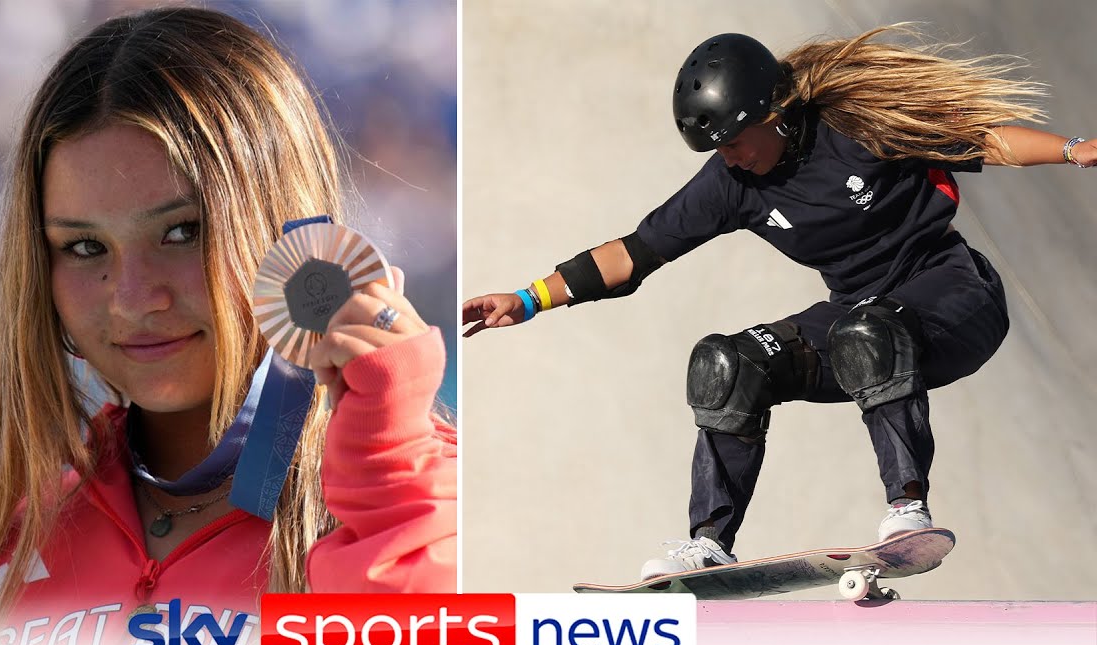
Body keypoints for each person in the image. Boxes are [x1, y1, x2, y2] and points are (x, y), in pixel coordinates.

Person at [0, 7, 455, 645]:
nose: (133, 298)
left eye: (182, 232)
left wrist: (387, 470)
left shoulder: (437, 500)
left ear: (292, 235)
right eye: (83, 246)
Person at [462, 25, 1093, 579]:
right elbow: (635, 252)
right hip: (858, 312)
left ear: (776, 110)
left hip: (955, 295)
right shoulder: (732, 182)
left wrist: (1071, 149)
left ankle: (907, 509)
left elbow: (978, 138)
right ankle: (709, 546)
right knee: (728, 365)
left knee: (867, 333)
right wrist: (528, 297)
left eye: (736, 140)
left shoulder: (856, 126)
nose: (729, 157)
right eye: (717, 149)